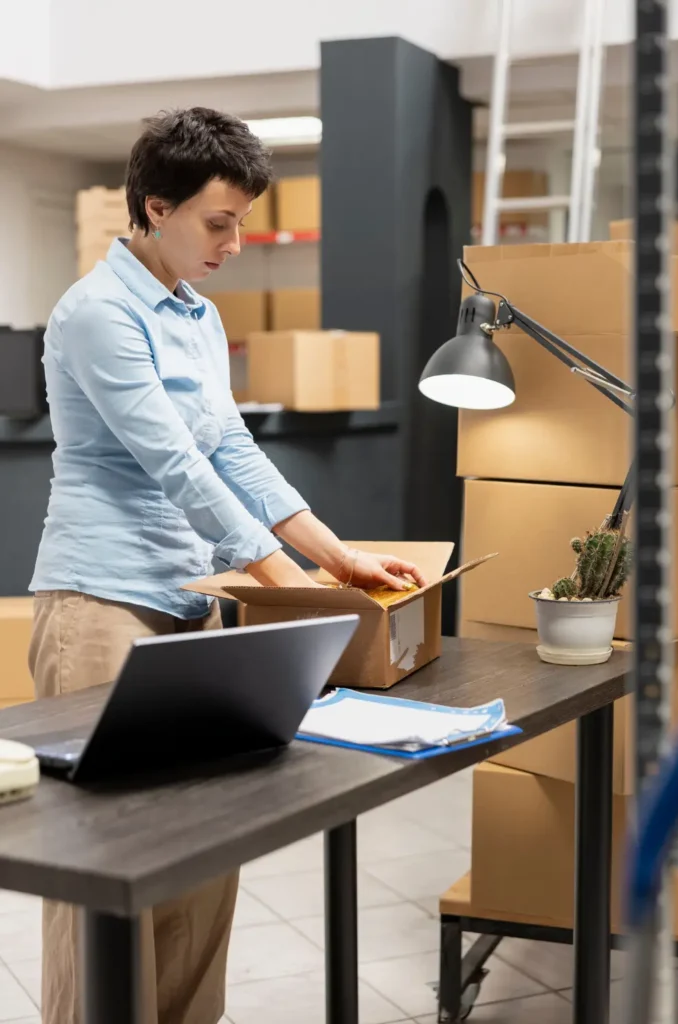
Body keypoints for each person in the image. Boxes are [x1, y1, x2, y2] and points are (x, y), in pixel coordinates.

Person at [28, 106, 427, 1024]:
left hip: (192, 600)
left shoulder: (197, 316)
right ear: (153, 207)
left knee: (207, 852)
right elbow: (172, 461)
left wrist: (335, 557)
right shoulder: (96, 313)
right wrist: (289, 590)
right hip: (103, 602)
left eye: (245, 220)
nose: (236, 241)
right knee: (106, 866)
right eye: (219, 221)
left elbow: (233, 451)